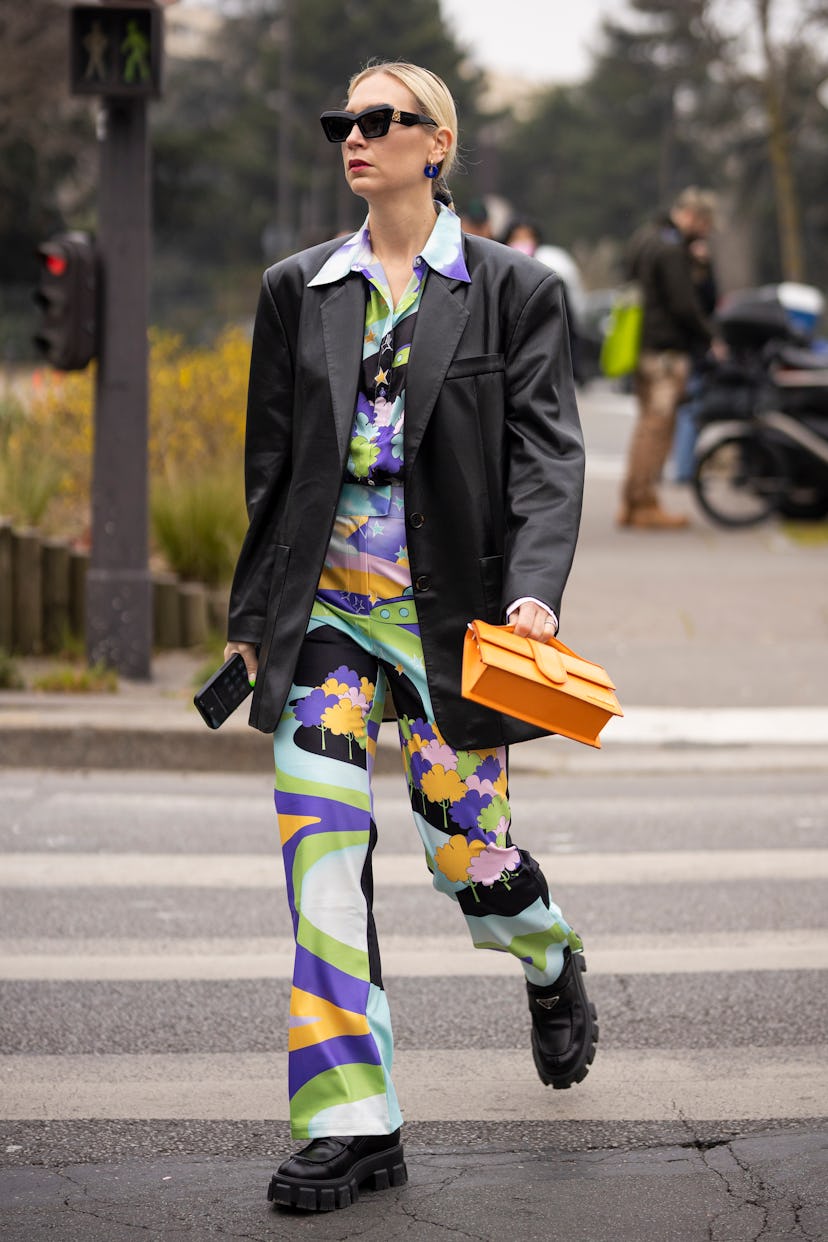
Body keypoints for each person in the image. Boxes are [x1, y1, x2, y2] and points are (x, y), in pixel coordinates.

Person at [224, 60, 591, 1213]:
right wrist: (251, 626)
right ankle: (352, 1126)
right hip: (326, 625)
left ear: (437, 145)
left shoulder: (513, 291)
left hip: (454, 626)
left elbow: (547, 459)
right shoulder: (301, 288)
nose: (356, 134)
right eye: (346, 118)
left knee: (466, 859)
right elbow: (272, 472)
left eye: (382, 120)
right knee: (322, 866)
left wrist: (534, 594)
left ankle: (545, 952)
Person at [618, 187, 716, 529]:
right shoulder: (672, 249)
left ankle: (631, 501)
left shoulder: (645, 237)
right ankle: (645, 504)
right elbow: (683, 304)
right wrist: (710, 336)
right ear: (692, 215)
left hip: (643, 345)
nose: (703, 232)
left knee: (645, 425)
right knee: (658, 428)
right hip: (666, 351)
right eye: (704, 224)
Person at [502, 218, 585, 381]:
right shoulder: (497, 279)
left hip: (541, 366)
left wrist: (573, 367)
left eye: (527, 237)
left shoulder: (550, 280)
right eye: (517, 237)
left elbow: (567, 327)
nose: (522, 242)